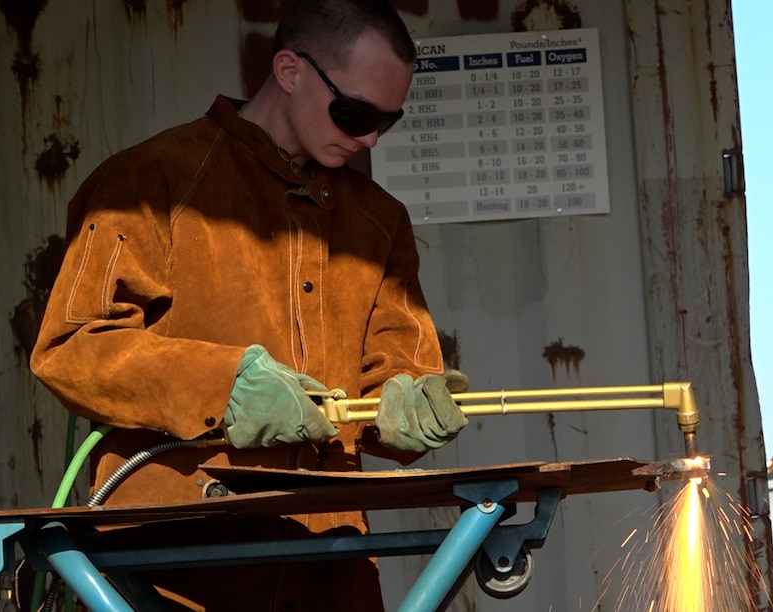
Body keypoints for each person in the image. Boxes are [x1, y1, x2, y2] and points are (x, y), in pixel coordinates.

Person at [30, 0, 468, 609]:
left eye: (385, 122)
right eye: (355, 112)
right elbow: (72, 347)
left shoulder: (378, 221)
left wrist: (405, 406)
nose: (368, 137)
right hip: (174, 567)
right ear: (289, 71)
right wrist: (223, 387)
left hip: (327, 563)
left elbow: (392, 374)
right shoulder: (152, 182)